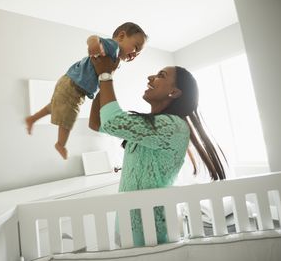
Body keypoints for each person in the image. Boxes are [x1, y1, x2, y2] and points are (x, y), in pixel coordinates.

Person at [89, 56, 226, 247]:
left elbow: (111, 121)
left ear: (174, 92)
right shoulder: (148, 126)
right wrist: (102, 78)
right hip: (127, 223)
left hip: (153, 230)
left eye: (160, 75)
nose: (150, 77)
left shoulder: (174, 126)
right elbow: (96, 123)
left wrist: (106, 76)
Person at [25, 22, 147, 159]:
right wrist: (94, 43)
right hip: (74, 85)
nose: (135, 55)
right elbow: (93, 38)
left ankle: (32, 119)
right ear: (121, 36)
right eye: (136, 47)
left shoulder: (115, 58)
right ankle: (60, 144)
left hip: (71, 82)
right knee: (70, 115)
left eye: (138, 54)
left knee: (55, 106)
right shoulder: (113, 47)